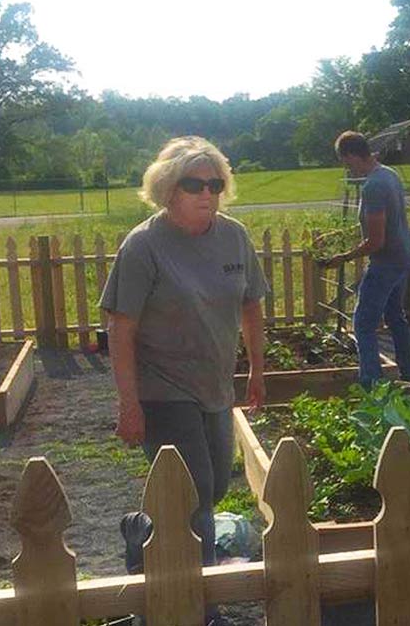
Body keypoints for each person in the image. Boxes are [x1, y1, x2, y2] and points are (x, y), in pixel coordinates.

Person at [100, 136, 268, 624]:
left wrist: (256, 369)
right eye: (194, 184)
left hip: (214, 384)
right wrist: (129, 404)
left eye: (215, 183)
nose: (206, 193)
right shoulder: (145, 245)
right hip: (163, 387)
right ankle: (200, 604)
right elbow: (120, 327)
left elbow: (251, 304)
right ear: (168, 189)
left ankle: (142, 532)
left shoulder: (233, 237)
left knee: (212, 487)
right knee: (193, 494)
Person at [323, 130, 410, 388]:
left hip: (386, 262)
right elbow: (380, 224)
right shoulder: (389, 174)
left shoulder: (374, 186)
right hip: (403, 257)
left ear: (353, 155)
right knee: (395, 316)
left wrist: (343, 257)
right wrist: (337, 236)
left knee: (363, 324)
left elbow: (376, 241)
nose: (346, 168)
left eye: (345, 161)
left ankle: (372, 385)